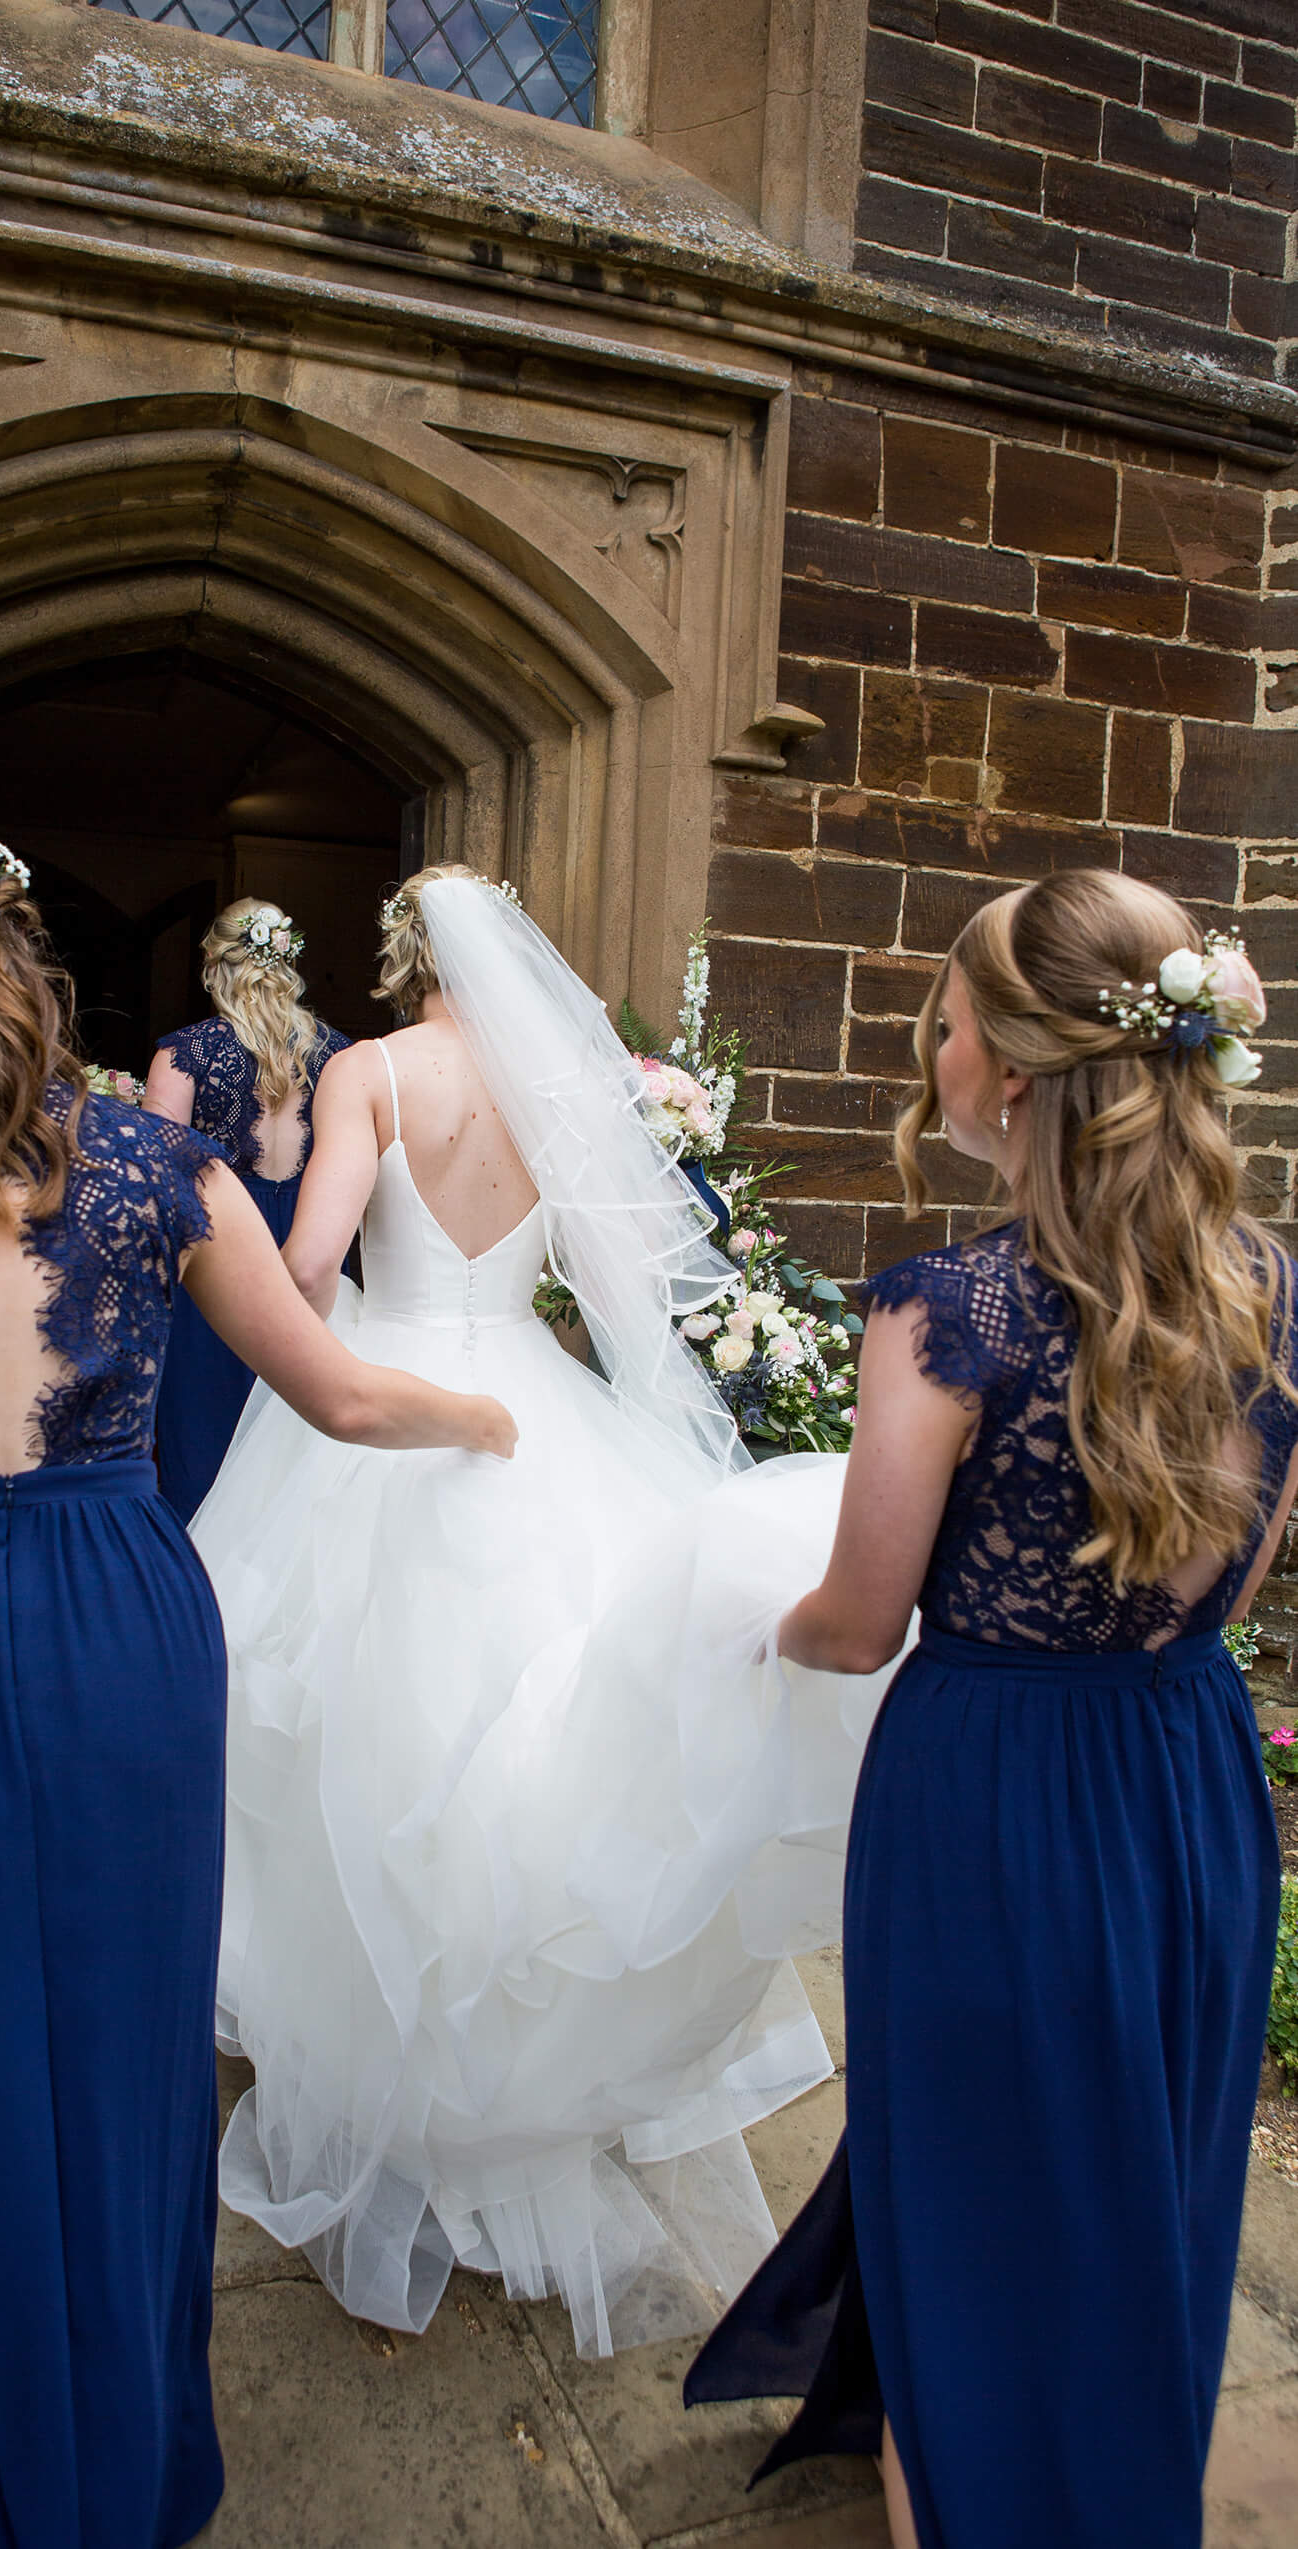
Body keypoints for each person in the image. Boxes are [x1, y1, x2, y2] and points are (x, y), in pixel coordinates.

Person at [0, 803, 513, 2549]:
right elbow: (340, 1391)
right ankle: (121, 2463)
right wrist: (488, 1410)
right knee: (125, 2058)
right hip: (125, 1628)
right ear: (12, 942)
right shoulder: (156, 1168)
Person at [193, 865, 889, 2361]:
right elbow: (605, 1282)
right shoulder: (564, 1085)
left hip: (395, 1407)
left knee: (363, 1754)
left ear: (398, 962)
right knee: (537, 1753)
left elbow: (307, 1270)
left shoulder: (369, 1072)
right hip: (535, 1399)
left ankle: (392, 2078)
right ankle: (520, 2076)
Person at [683, 870, 1298, 2549]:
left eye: (942, 1018)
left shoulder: (942, 1312)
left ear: (1011, 1072)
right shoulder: (1267, 1287)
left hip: (993, 1796)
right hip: (1182, 1769)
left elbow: (861, 1612)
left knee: (977, 2182)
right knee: (1139, 2178)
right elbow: (1230, 1592)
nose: (929, 1047)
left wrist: (750, 1627)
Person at [147, 900, 348, 1517]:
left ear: (214, 965)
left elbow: (156, 1188)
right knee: (295, 1438)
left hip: (214, 1260)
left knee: (200, 1435)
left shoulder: (183, 1055)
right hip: (312, 1246)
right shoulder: (342, 1057)